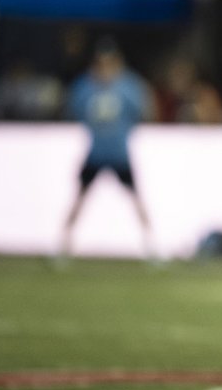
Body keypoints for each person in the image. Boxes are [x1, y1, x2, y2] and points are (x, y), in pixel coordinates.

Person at [59, 37, 155, 261]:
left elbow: (144, 109)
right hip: (96, 152)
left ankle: (151, 247)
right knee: (79, 198)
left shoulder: (128, 86)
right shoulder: (86, 86)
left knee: (136, 198)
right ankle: (63, 246)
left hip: (119, 152)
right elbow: (73, 109)